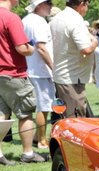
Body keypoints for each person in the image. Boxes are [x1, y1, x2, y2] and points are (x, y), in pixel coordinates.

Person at [0, 0, 48, 164]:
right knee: (25, 113)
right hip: (13, 73)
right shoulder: (11, 18)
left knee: (1, 115)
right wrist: (32, 47)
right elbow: (22, 48)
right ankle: (28, 153)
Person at [50, 0, 98, 119]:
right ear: (82, 3)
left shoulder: (57, 18)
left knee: (63, 117)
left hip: (61, 75)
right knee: (75, 120)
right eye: (87, 5)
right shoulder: (75, 20)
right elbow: (86, 49)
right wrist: (95, 43)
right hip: (72, 78)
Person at [22, 0, 54, 150]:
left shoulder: (26, 19)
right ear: (40, 5)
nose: (51, 6)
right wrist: (53, 67)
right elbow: (41, 48)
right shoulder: (39, 21)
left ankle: (36, 137)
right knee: (44, 106)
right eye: (49, 3)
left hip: (29, 68)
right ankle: (41, 140)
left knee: (36, 106)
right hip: (40, 71)